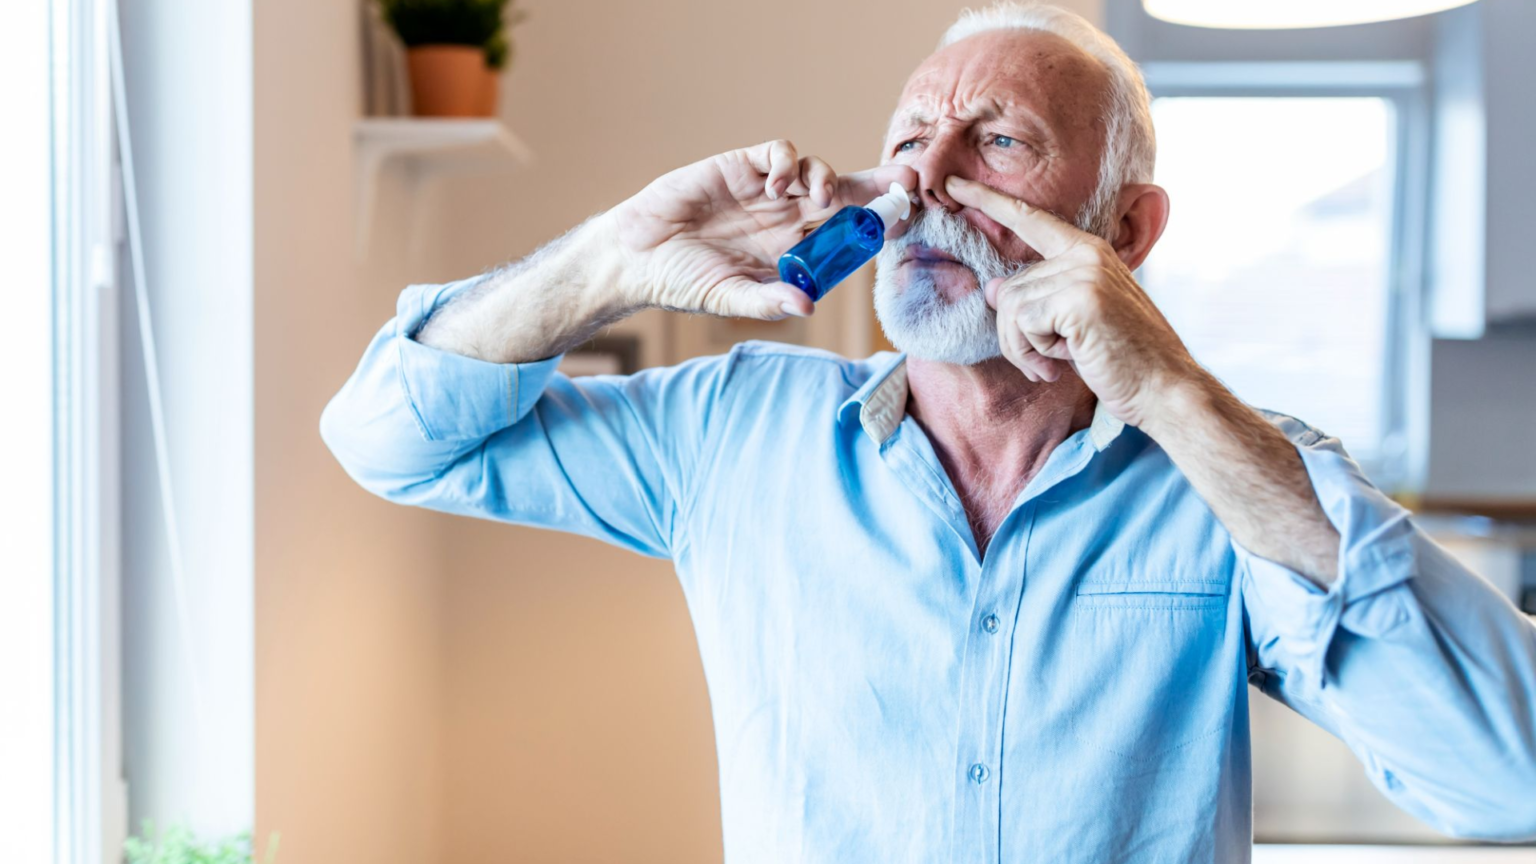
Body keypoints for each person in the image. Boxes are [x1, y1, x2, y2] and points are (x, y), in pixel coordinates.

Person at [321, 3, 1536, 860]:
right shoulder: (731, 431)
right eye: (908, 140)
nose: (921, 188)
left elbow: (1504, 778)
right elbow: (386, 437)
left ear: (1125, 229)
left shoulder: (1224, 473)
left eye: (998, 143)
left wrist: (1169, 390)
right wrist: (608, 258)